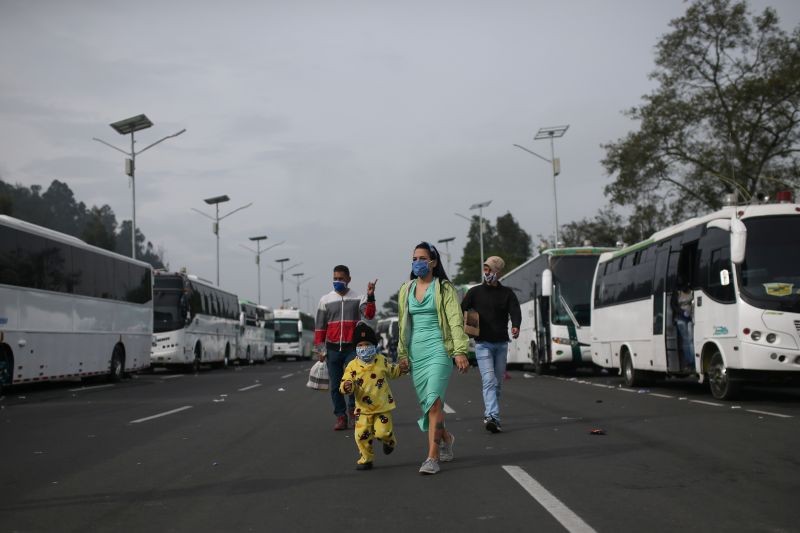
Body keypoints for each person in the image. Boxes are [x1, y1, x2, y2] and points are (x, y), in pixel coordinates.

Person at [397, 242, 470, 475]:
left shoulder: (444, 288)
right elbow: (402, 325)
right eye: (414, 258)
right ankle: (447, 439)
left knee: (435, 401)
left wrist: (459, 350)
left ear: (433, 262)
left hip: (440, 349)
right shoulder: (406, 289)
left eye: (422, 258)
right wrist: (403, 355)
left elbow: (455, 320)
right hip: (416, 353)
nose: (417, 262)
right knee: (429, 406)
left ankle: (432, 457)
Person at [461, 256, 521, 434]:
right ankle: (492, 417)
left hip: (502, 344)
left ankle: (492, 415)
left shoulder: (507, 293)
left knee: (497, 384)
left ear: (497, 272)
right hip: (482, 345)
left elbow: (515, 311)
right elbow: (461, 308)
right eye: (485, 269)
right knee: (489, 380)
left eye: (489, 269)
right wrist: (468, 321)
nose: (486, 273)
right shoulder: (475, 292)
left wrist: (516, 326)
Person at [315, 265, 377, 430]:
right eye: (335, 278)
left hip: (352, 349)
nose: (338, 281)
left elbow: (369, 314)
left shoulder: (359, 297)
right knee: (336, 386)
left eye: (341, 278)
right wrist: (320, 349)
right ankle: (340, 416)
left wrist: (370, 296)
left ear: (348, 279)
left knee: (355, 382)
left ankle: (353, 411)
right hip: (332, 349)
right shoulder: (325, 300)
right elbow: (320, 326)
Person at [340, 322, 407, 470]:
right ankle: (366, 458)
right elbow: (346, 381)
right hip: (362, 409)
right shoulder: (352, 365)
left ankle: (389, 442)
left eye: (367, 344)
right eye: (361, 345)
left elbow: (393, 372)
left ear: (374, 345)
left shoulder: (381, 360)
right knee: (361, 436)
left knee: (383, 432)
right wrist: (346, 386)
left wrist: (401, 369)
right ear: (356, 347)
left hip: (382, 407)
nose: (364, 348)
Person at [672, 282, 695, 370]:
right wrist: (682, 312)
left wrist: (691, 314)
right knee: (686, 340)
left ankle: (693, 361)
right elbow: (673, 305)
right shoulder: (678, 292)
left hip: (690, 318)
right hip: (681, 318)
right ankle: (689, 361)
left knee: (691, 339)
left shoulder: (692, 292)